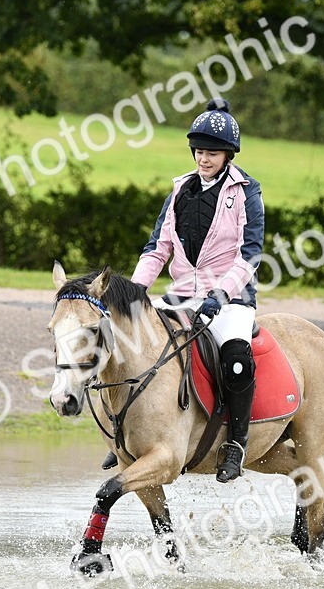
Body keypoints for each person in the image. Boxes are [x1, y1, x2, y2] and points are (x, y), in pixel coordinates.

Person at [108, 97, 264, 482]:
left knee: (237, 359)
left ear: (227, 155)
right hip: (179, 295)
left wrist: (220, 296)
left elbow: (250, 254)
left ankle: (236, 443)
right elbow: (157, 248)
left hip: (229, 299)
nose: (203, 158)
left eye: (212, 153)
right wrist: (132, 295)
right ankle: (124, 433)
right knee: (128, 342)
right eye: (199, 151)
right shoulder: (179, 190)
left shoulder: (246, 191)